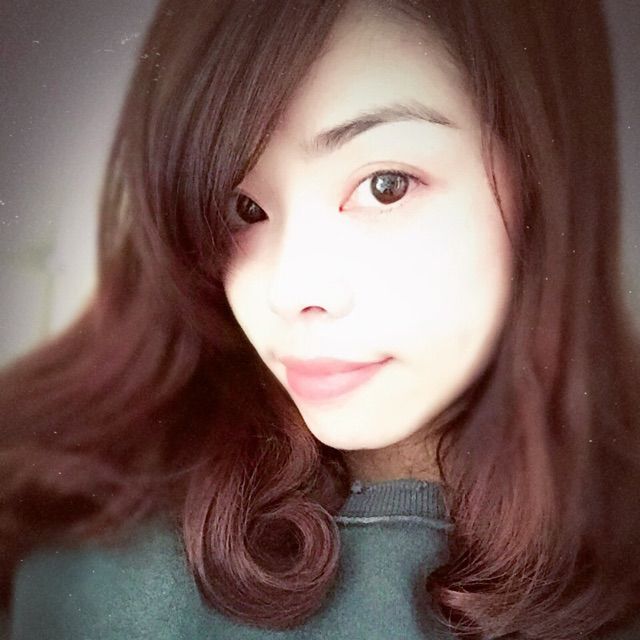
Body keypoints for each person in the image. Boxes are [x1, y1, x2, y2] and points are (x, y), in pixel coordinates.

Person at [1, 0, 640, 638]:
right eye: (243, 208)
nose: (291, 291)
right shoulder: (104, 578)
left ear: (543, 172)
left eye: (385, 185)